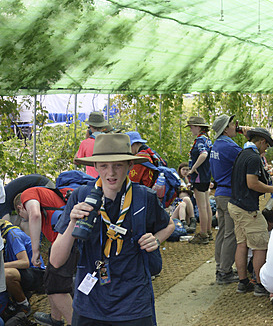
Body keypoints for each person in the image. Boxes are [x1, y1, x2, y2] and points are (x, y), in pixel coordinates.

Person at [49, 133, 174, 326]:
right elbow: (56, 260)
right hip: (90, 302)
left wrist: (156, 240)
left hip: (134, 303)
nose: (111, 173)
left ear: (130, 165)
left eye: (118, 165)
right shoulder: (81, 197)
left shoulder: (144, 197)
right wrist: (73, 222)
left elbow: (169, 225)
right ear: (95, 166)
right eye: (104, 166)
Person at [229, 128, 273, 297]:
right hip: (247, 209)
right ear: (261, 141)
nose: (265, 149)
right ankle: (260, 284)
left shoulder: (242, 153)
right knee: (261, 245)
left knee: (242, 243)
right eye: (266, 145)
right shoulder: (253, 157)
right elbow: (252, 183)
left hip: (235, 204)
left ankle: (243, 282)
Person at [14, 186, 74, 326]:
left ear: (20, 207)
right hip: (65, 241)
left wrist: (35, 251)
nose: (24, 219)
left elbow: (34, 215)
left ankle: (74, 322)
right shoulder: (47, 196)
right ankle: (55, 318)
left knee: (56, 288)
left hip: (64, 243)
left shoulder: (27, 194)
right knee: (50, 281)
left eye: (21, 216)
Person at [210, 114, 250, 285]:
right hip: (229, 195)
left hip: (219, 192)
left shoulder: (216, 145)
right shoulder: (230, 147)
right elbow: (248, 159)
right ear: (226, 129)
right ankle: (224, 272)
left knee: (222, 232)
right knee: (231, 234)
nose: (236, 126)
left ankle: (220, 266)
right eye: (233, 124)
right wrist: (249, 138)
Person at [1, 219, 45, 315]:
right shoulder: (4, 234)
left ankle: (23, 304)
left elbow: (25, 262)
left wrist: (1, 266)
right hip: (22, 272)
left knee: (6, 274)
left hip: (36, 272)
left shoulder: (12, 235)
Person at [186, 116, 213, 244]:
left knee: (201, 206)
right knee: (206, 204)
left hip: (199, 177)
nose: (191, 129)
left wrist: (193, 168)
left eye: (192, 127)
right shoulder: (208, 140)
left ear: (198, 127)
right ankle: (208, 231)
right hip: (206, 176)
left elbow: (204, 154)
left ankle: (203, 234)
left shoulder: (200, 140)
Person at [74, 111, 110, 178]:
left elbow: (76, 161)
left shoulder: (86, 143)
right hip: (108, 179)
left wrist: (86, 140)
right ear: (103, 126)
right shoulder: (110, 140)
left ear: (90, 126)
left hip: (92, 180)